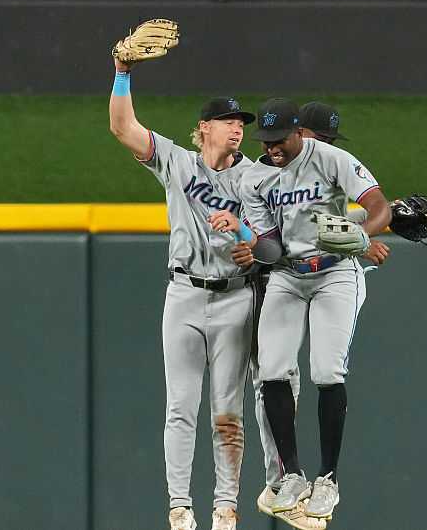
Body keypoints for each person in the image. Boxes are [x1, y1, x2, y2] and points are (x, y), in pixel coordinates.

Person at [108, 50, 257, 530]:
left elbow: (271, 238)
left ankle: (226, 507)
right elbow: (123, 128)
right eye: (228, 120)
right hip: (185, 295)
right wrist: (122, 74)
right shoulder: (177, 162)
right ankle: (179, 508)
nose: (237, 128)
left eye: (241, 122)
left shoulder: (255, 176)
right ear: (205, 127)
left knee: (227, 409)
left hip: (236, 296)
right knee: (180, 406)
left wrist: (246, 238)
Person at [226, 97, 392, 524]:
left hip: (335, 274)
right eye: (266, 141)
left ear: (299, 131)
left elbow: (380, 208)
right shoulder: (256, 179)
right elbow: (271, 244)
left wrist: (358, 233)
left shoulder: (332, 159)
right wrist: (250, 241)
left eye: (279, 139)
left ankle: (329, 479)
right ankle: (293, 475)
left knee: (326, 371)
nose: (272, 148)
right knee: (273, 370)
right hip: (288, 273)